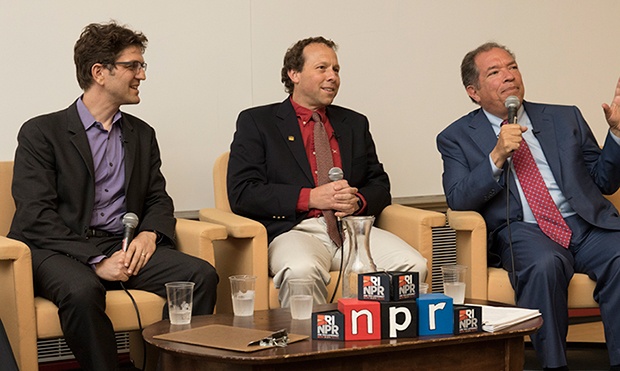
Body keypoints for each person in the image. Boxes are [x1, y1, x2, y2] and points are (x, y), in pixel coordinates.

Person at [8, 21, 218, 370]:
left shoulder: (141, 134)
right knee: (82, 291)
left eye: (142, 66)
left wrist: (150, 234)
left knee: (200, 275)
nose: (142, 75)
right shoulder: (42, 132)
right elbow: (35, 215)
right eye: (133, 66)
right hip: (57, 248)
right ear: (99, 72)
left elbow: (157, 198)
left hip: (119, 244)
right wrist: (97, 261)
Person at [437, 42, 620, 371]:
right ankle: (554, 366)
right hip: (522, 229)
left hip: (585, 222)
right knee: (544, 264)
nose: (509, 76)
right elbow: (458, 199)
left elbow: (603, 182)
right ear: (473, 92)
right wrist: (496, 156)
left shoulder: (565, 117)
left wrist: (617, 134)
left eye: (512, 66)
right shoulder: (456, 136)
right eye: (494, 72)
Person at [227, 36, 427, 307]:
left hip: (352, 229)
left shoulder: (354, 123)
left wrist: (358, 202)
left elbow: (379, 184)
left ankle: (378, 346)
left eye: (336, 69)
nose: (332, 76)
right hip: (296, 230)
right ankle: (314, 348)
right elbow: (243, 192)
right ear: (294, 74)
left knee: (412, 265)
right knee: (301, 271)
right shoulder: (258, 122)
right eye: (322, 68)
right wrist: (310, 198)